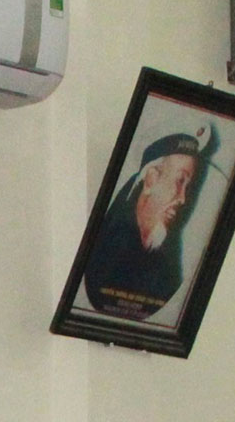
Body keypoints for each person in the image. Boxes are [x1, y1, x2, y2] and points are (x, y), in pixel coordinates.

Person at [80, 127, 214, 321]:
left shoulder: (169, 266)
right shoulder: (104, 246)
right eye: (180, 181)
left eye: (188, 186)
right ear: (151, 180)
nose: (183, 198)